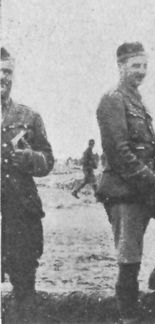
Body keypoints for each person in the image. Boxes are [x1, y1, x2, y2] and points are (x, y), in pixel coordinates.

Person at [95, 42, 155, 323]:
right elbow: (120, 152)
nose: (141, 71)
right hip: (124, 194)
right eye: (135, 66)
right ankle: (129, 319)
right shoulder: (112, 100)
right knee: (129, 261)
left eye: (144, 66)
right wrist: (152, 183)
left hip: (150, 190)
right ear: (121, 66)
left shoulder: (139, 102)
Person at [1, 47, 54, 315]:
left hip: (21, 213)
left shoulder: (27, 117)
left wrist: (30, 158)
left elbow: (48, 160)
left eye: (7, 71)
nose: (2, 77)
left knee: (24, 287)